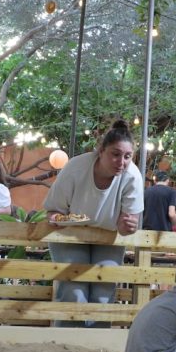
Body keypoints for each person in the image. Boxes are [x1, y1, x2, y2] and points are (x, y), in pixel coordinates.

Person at [42, 119, 143, 327]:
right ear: (101, 151)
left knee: (103, 293)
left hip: (107, 235)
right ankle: (68, 342)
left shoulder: (133, 176)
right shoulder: (75, 167)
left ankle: (97, 342)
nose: (121, 162)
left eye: (127, 156)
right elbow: (53, 211)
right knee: (73, 292)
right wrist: (57, 219)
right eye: (115, 154)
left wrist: (128, 227)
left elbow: (127, 225)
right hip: (70, 233)